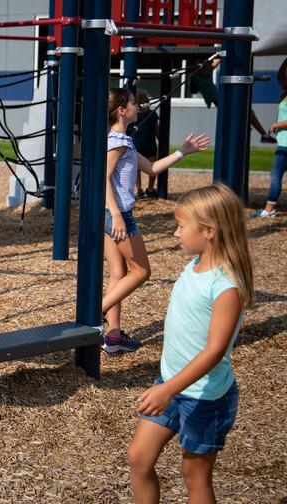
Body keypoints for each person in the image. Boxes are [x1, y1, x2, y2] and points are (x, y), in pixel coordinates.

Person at [127, 183, 253, 503]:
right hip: (171, 385)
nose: (175, 233)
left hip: (205, 397)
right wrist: (168, 386)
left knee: (195, 477)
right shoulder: (193, 266)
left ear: (209, 231)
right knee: (139, 458)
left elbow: (214, 351)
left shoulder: (225, 285)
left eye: (182, 226)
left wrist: (167, 390)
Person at [102, 88, 210, 353]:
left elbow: (152, 169)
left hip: (107, 214)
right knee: (142, 271)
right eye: (133, 103)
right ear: (122, 111)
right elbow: (102, 177)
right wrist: (117, 215)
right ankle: (95, 312)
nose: (138, 106)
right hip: (118, 215)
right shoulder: (118, 142)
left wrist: (182, 152)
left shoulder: (122, 140)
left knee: (119, 273)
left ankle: (113, 336)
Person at [192, 57, 277, 144]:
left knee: (248, 112)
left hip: (222, 98)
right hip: (218, 100)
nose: (207, 69)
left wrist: (226, 53)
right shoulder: (195, 75)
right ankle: (252, 129)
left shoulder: (208, 72)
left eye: (208, 67)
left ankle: (262, 134)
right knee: (244, 113)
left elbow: (217, 60)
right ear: (199, 68)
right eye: (204, 68)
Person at [252, 57, 287, 218]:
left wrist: (275, 126)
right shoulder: (285, 92)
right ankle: (269, 209)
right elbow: (280, 76)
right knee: (276, 175)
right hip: (283, 143)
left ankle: (269, 209)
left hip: (285, 145)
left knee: (275, 176)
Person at [130, 89, 159, 198]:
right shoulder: (133, 115)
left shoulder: (152, 114)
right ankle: (139, 189)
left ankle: (150, 188)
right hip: (136, 145)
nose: (141, 100)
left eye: (143, 98)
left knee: (153, 167)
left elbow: (157, 129)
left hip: (149, 145)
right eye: (139, 98)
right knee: (136, 169)